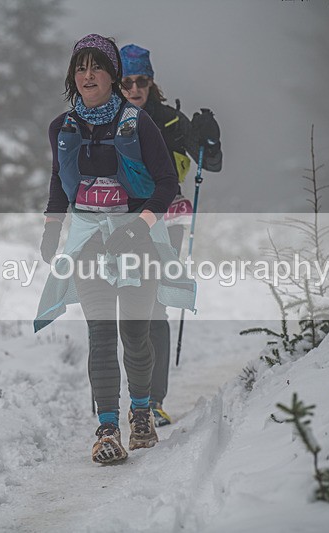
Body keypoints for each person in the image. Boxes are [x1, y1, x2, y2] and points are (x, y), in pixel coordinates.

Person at [33, 34, 196, 464]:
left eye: (96, 67)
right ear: (73, 76)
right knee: (101, 336)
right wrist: (52, 228)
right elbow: (57, 181)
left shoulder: (138, 124)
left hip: (136, 241)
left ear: (112, 76)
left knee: (135, 336)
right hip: (89, 242)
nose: (88, 75)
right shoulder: (62, 128)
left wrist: (138, 228)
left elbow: (167, 184)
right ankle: (107, 428)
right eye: (80, 68)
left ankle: (140, 412)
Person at [119, 43, 223, 427]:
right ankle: (135, 397)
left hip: (167, 223)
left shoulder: (171, 122)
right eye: (126, 81)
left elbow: (210, 165)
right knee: (130, 311)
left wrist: (209, 139)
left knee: (155, 307)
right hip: (121, 225)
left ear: (151, 81)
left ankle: (152, 401)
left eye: (140, 80)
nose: (133, 88)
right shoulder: (108, 118)